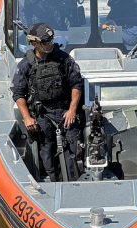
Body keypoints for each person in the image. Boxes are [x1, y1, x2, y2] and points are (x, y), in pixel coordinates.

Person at [12, 23, 83, 182]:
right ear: (34, 43)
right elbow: (18, 93)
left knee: (74, 148)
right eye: (46, 42)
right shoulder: (25, 65)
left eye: (51, 40)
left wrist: (72, 109)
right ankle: (54, 182)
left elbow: (77, 84)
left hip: (66, 111)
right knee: (47, 151)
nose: (50, 44)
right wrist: (26, 117)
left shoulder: (64, 59)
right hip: (43, 114)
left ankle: (75, 183)